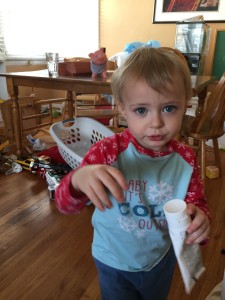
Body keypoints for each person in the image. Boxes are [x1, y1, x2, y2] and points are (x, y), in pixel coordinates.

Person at [54, 47, 210, 300]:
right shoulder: (107, 152)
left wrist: (200, 218)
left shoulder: (187, 159)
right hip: (112, 259)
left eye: (169, 108)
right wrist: (78, 180)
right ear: (123, 109)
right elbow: (64, 203)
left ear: (185, 107)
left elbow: (195, 203)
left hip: (160, 258)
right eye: (141, 110)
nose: (156, 122)